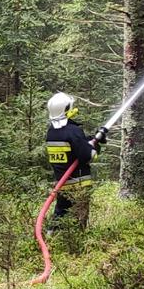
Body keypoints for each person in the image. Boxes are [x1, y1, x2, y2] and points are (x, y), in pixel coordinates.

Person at [45, 92, 109, 232]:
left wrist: (90, 140)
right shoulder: (73, 131)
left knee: (60, 213)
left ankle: (52, 238)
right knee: (78, 218)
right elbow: (88, 156)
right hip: (79, 184)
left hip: (62, 183)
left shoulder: (52, 132)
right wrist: (95, 146)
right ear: (66, 109)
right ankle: (75, 244)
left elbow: (73, 148)